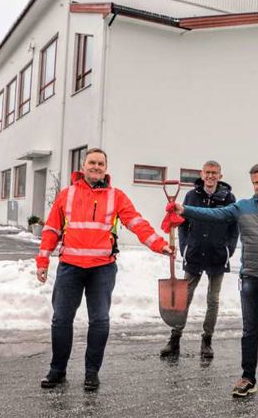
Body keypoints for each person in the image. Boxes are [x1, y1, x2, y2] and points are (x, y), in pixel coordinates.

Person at [36, 148, 172, 391]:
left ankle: (91, 372)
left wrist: (159, 244)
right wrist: (43, 261)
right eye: (92, 163)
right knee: (60, 320)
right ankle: (57, 370)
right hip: (70, 268)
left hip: (102, 269)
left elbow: (136, 223)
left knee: (99, 321)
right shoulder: (66, 195)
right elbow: (51, 230)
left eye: (101, 163)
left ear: (105, 168)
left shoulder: (116, 197)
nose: (96, 167)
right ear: (83, 166)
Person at [171, 162, 258, 403]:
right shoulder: (243, 207)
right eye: (257, 183)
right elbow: (214, 214)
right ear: (253, 185)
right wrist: (185, 210)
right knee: (249, 333)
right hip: (251, 280)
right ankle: (248, 379)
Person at [159, 161, 238, 359]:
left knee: (213, 299)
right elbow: (183, 224)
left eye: (215, 173)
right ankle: (175, 339)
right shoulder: (191, 196)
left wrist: (229, 249)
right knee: (185, 297)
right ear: (202, 175)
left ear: (220, 176)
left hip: (218, 255)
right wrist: (185, 245)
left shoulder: (228, 198)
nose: (211, 176)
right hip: (195, 253)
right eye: (208, 173)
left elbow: (233, 227)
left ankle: (207, 340)